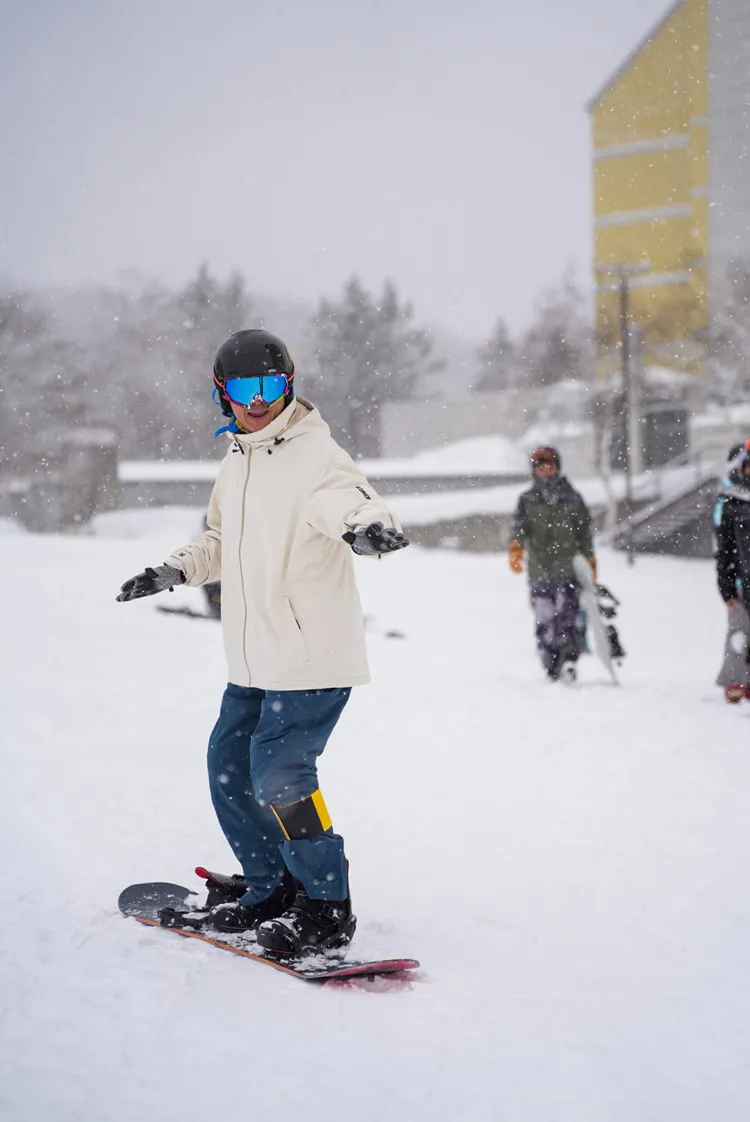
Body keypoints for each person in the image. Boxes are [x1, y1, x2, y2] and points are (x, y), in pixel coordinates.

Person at [116, 329, 409, 954]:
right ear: (223, 395)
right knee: (228, 767)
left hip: (309, 657)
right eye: (244, 389)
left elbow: (351, 502)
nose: (258, 401)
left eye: (270, 386)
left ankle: (327, 904)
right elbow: (219, 540)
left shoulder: (317, 455)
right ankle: (271, 885)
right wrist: (174, 569)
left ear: (290, 384)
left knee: (281, 777)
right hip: (253, 660)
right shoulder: (239, 461)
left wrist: (368, 530)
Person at [508, 446, 596, 682]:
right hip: (539, 570)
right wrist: (516, 548)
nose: (545, 469)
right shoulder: (527, 501)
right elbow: (518, 528)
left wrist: (589, 559)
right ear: (534, 470)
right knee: (545, 618)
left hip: (568, 569)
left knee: (568, 617)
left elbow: (584, 533)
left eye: (549, 465)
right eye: (540, 466)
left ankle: (569, 660)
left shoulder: (573, 498)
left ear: (557, 467)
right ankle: (550, 662)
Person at [714, 440, 750, 703]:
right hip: (740, 580)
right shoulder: (730, 503)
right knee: (739, 632)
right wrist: (725, 585)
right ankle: (735, 679)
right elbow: (724, 549)